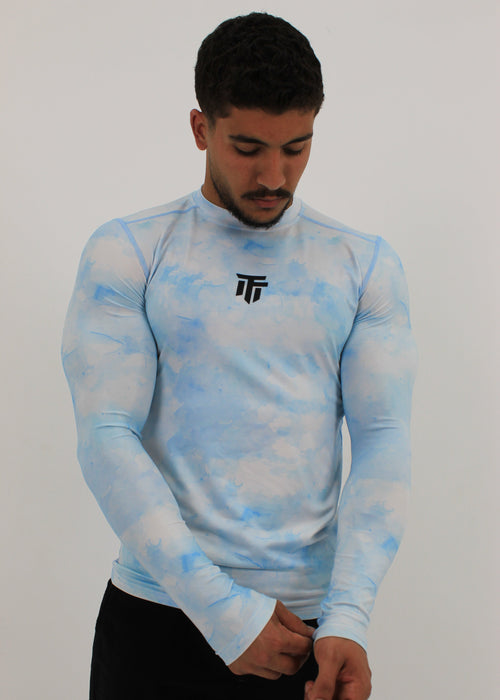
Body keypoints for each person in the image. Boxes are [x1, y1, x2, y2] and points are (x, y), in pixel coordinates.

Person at [62, 12, 417, 700]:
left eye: (296, 148)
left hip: (304, 629)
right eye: (248, 148)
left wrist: (349, 614)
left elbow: (382, 441)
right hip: (160, 614)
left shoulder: (362, 264)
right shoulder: (131, 250)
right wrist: (222, 610)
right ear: (201, 129)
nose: (274, 175)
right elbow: (105, 436)